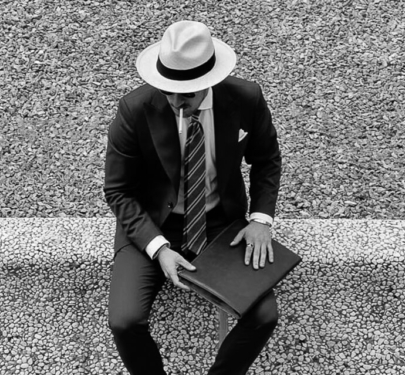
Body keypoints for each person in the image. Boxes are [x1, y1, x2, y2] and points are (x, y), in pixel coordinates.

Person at [104, 20, 282, 375]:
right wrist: (158, 247)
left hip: (220, 223)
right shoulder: (134, 109)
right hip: (152, 225)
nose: (174, 101)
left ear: (209, 82)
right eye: (167, 89)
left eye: (185, 94)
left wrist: (261, 220)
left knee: (264, 315)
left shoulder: (246, 99)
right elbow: (117, 190)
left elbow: (266, 160)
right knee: (124, 321)